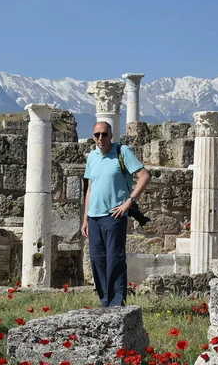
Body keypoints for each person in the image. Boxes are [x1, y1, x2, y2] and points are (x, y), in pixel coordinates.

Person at [81, 121, 150, 307]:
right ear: (93, 136)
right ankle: (105, 301)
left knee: (115, 259)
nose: (100, 138)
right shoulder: (92, 157)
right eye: (97, 135)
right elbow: (90, 188)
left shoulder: (122, 152)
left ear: (111, 135)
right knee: (97, 260)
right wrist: (85, 218)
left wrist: (129, 202)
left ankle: (117, 302)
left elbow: (144, 176)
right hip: (94, 216)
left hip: (114, 215)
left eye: (104, 134)